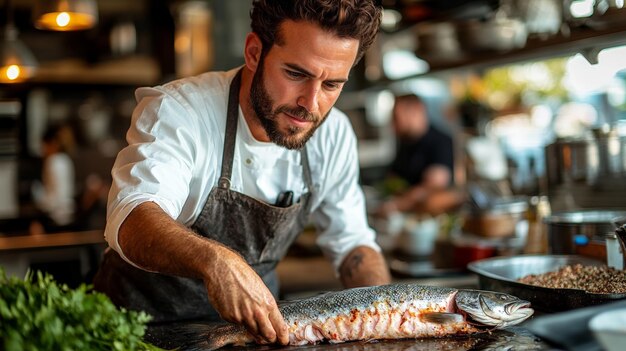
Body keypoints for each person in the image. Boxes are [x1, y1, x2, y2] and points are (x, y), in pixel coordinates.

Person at [93, 0, 391, 346]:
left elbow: (352, 242)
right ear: (253, 52)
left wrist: (385, 312)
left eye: (331, 85)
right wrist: (215, 260)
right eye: (296, 74)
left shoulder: (334, 134)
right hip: (136, 331)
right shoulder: (180, 111)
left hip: (254, 337)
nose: (310, 104)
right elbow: (132, 216)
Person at [376, 94, 457, 217]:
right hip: (404, 217)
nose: (393, 125)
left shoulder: (441, 141)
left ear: (416, 110)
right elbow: (393, 178)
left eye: (396, 118)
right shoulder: (405, 142)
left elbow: (434, 185)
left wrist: (397, 205)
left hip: (431, 218)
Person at [31, 124, 76, 233]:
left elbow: (55, 197)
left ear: (53, 144)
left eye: (44, 145)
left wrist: (38, 201)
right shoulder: (65, 160)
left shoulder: (53, 161)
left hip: (56, 217)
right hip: (67, 215)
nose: (42, 149)